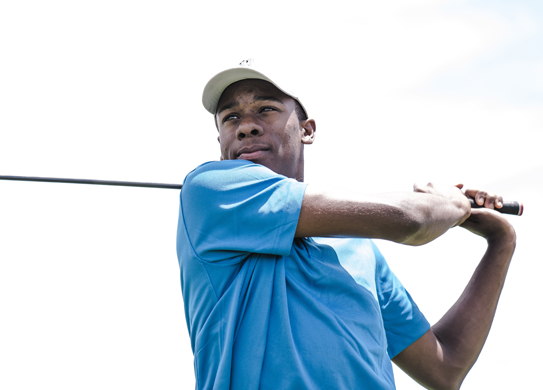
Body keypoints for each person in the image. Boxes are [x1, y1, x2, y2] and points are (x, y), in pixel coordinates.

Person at [176, 62, 516, 390]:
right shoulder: (209, 191)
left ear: (307, 130)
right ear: (221, 145)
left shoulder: (359, 248)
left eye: (266, 109)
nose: (246, 126)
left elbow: (446, 369)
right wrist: (448, 202)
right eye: (230, 117)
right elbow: (413, 220)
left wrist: (501, 242)